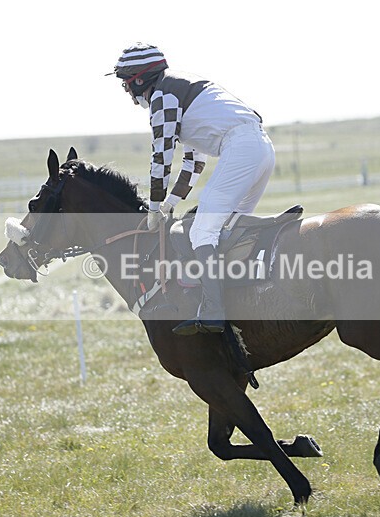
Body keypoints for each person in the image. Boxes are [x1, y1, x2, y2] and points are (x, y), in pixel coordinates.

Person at [108, 43, 275, 336]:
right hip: (260, 148)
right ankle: (245, 297)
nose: (125, 89)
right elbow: (193, 162)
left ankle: (213, 311)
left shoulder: (163, 96)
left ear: (139, 78)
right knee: (227, 229)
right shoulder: (179, 88)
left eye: (125, 81)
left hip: (242, 149)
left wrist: (154, 205)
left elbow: (161, 156)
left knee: (202, 232)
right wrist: (170, 202)